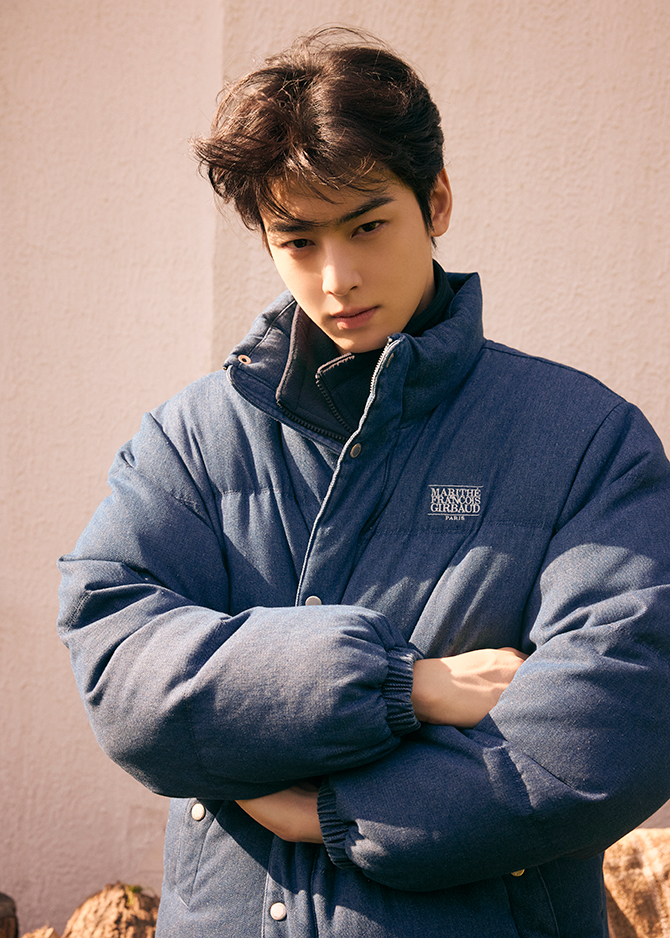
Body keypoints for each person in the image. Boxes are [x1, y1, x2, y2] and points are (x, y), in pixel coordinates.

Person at [57, 27, 670, 938]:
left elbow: (614, 722)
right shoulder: (191, 441)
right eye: (298, 241)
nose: (337, 279)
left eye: (368, 226)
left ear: (437, 200)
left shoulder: (584, 438)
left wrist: (332, 812)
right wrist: (401, 684)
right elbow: (123, 672)